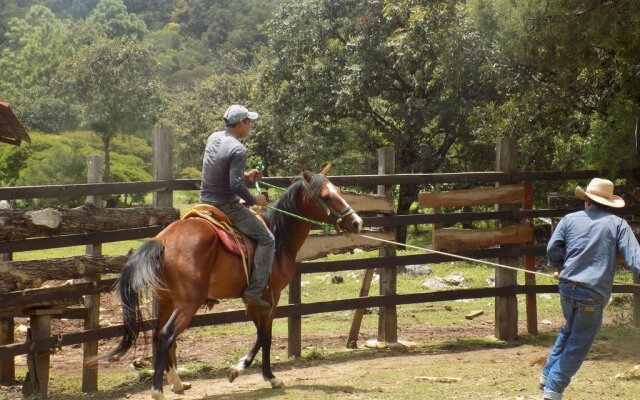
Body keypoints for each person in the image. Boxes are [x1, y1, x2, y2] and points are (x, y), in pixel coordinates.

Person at [540, 178, 640, 400]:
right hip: (592, 293)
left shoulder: (568, 219)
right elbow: (636, 259)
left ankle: (547, 374)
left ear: (587, 200)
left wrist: (559, 265)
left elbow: (552, 248)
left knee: (570, 330)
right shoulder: (618, 224)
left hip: (566, 288)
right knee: (578, 342)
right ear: (610, 203)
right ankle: (553, 388)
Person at [200, 104, 274, 310]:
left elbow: (219, 170)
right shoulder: (238, 149)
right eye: (249, 122)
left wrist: (245, 175)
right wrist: (254, 200)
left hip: (204, 202)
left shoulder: (214, 138)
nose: (249, 126)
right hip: (226, 206)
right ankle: (254, 291)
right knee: (267, 239)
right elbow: (236, 186)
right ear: (241, 123)